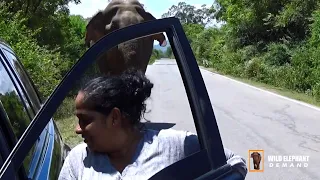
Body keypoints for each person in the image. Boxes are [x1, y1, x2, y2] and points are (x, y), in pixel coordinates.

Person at [58, 69, 247, 180]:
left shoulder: (175, 145)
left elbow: (235, 163)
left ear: (114, 117)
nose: (77, 129)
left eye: (85, 120)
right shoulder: (78, 160)